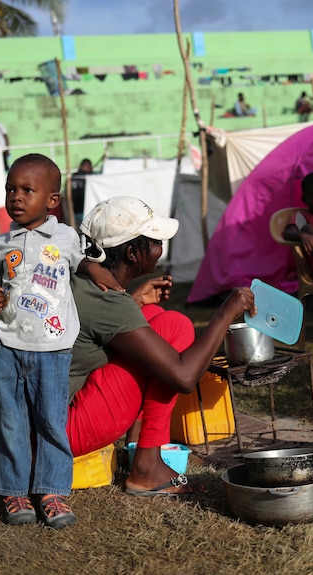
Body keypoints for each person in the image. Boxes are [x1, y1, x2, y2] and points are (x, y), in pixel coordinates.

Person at [66, 196, 257, 496]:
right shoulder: (107, 300)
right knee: (175, 326)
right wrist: (225, 313)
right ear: (132, 252)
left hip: (49, 424)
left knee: (154, 315)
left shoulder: (85, 281)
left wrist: (134, 302)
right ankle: (147, 464)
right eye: (155, 241)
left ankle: (139, 442)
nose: (160, 248)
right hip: (64, 432)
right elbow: (183, 377)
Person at [0, 153, 121, 528]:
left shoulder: (65, 236)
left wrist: (97, 271)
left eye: (27, 190)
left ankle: (52, 491)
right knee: (12, 420)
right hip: (10, 346)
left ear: (51, 201)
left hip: (53, 348)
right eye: (11, 188)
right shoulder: (2, 241)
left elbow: (82, 262)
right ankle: (13, 490)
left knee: (50, 421)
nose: (16, 197)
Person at [69, 158, 93, 228]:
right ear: (87, 166)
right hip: (85, 209)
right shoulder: (88, 177)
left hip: (75, 210)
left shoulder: (73, 177)